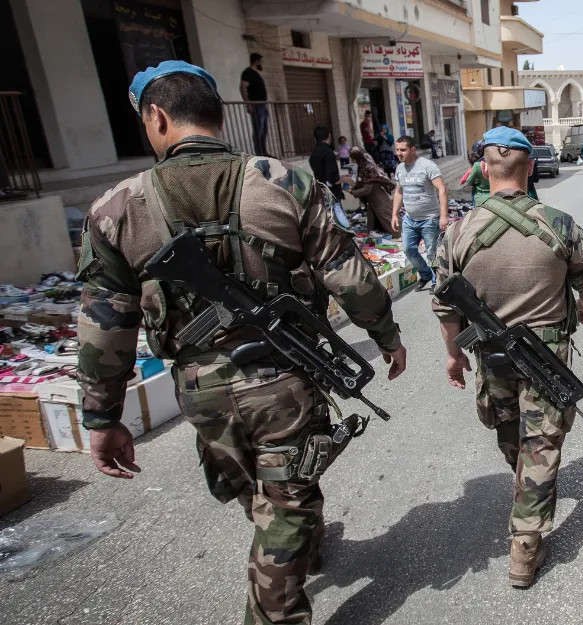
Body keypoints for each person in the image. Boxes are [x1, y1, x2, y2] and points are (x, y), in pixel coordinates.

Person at [79, 60, 407, 625]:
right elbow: (347, 273)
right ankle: (280, 591)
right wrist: (387, 334)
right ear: (217, 115)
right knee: (283, 499)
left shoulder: (116, 207)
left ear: (155, 116)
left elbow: (106, 323)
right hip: (281, 379)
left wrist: (102, 416)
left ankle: (290, 544)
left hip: (200, 388)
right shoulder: (283, 181)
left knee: (262, 491)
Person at [432, 126, 583, 587]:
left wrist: (454, 357)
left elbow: (445, 307)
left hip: (492, 357)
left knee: (513, 434)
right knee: (540, 443)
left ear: (484, 170)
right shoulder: (560, 224)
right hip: (546, 357)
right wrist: (582, 307)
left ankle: (526, 505)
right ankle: (525, 546)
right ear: (529, 168)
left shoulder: (457, 234)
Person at [392, 135, 447, 290]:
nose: (399, 153)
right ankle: (425, 274)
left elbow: (442, 189)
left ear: (413, 150)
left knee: (431, 253)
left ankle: (437, 283)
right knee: (408, 250)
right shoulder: (399, 169)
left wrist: (443, 215)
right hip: (410, 219)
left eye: (403, 150)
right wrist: (394, 214)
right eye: (397, 150)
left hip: (430, 219)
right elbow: (399, 192)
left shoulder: (427, 166)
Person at [349, 146, 398, 234]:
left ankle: (397, 234)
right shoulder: (362, 165)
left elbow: (367, 189)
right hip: (372, 199)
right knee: (373, 220)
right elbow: (361, 181)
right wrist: (355, 186)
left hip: (378, 199)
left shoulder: (368, 168)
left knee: (387, 218)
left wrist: (353, 192)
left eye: (352, 157)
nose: (351, 159)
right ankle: (373, 235)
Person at [309, 125, 351, 206]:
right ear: (329, 136)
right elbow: (331, 175)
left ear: (315, 139)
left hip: (321, 191)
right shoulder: (328, 152)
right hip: (331, 193)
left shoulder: (314, 154)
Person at [239, 53, 268, 156]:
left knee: (264, 130)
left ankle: (263, 151)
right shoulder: (248, 73)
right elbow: (242, 88)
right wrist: (248, 104)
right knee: (258, 130)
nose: (261, 63)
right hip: (256, 105)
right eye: (261, 61)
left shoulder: (256, 73)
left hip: (263, 105)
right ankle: (259, 153)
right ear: (257, 61)